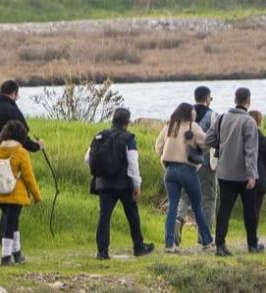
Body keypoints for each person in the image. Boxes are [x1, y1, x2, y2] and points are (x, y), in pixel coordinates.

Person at [0, 80, 43, 237]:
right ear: (14, 93)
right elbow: (23, 138)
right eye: (17, 95)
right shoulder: (13, 110)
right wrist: (37, 146)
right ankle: (5, 236)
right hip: (11, 160)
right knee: (9, 195)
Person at [86, 107, 155, 260]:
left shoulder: (100, 135)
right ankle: (138, 247)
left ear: (113, 120)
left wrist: (101, 172)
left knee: (104, 217)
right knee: (132, 215)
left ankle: (102, 252)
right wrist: (137, 184)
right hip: (124, 184)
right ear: (127, 122)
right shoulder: (128, 138)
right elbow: (133, 162)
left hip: (104, 183)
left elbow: (87, 158)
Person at [205, 87, 261, 257]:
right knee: (249, 210)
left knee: (224, 210)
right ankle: (252, 244)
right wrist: (251, 175)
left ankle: (220, 244)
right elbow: (250, 151)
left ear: (235, 99)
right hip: (243, 175)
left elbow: (209, 139)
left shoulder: (222, 118)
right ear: (248, 101)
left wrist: (223, 145)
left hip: (224, 172)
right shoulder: (249, 122)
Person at [154, 103, 213, 252]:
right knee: (197, 206)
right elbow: (206, 142)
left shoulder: (169, 126)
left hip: (170, 171)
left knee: (172, 207)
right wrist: (200, 151)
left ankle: (169, 244)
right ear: (189, 113)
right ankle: (206, 241)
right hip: (187, 170)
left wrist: (166, 155)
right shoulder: (193, 126)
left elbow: (158, 146)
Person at [0, 120, 42, 265]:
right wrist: (37, 196)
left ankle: (17, 254)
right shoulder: (21, 153)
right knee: (10, 225)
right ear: (21, 135)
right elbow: (29, 177)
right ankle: (5, 257)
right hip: (15, 196)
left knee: (13, 222)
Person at [174, 86, 217, 241]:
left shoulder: (185, 115)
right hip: (205, 162)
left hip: (185, 161)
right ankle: (204, 235)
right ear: (207, 99)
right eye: (210, 98)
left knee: (185, 195)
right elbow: (214, 138)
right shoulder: (212, 116)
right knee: (208, 198)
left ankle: (178, 219)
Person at [247, 110, 266, 226]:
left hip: (244, 179)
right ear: (260, 123)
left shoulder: (243, 140)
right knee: (256, 210)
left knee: (248, 209)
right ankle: (252, 233)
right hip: (261, 180)